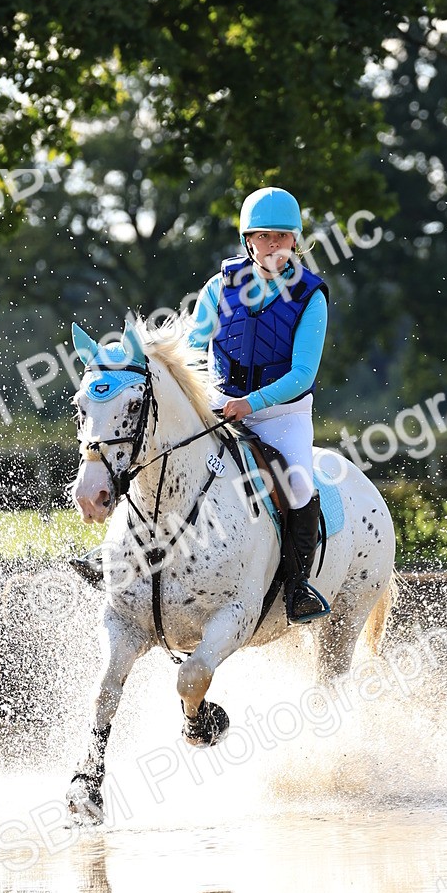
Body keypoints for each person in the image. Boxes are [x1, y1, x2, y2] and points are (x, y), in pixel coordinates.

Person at [186, 186, 329, 622]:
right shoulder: (219, 286)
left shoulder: (311, 296)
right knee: (162, 455)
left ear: (295, 241)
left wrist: (252, 403)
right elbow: (193, 346)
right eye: (263, 236)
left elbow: (303, 375)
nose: (272, 245)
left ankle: (298, 586)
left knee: (300, 486)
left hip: (280, 417)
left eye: (281, 237)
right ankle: (121, 556)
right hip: (218, 405)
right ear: (247, 239)